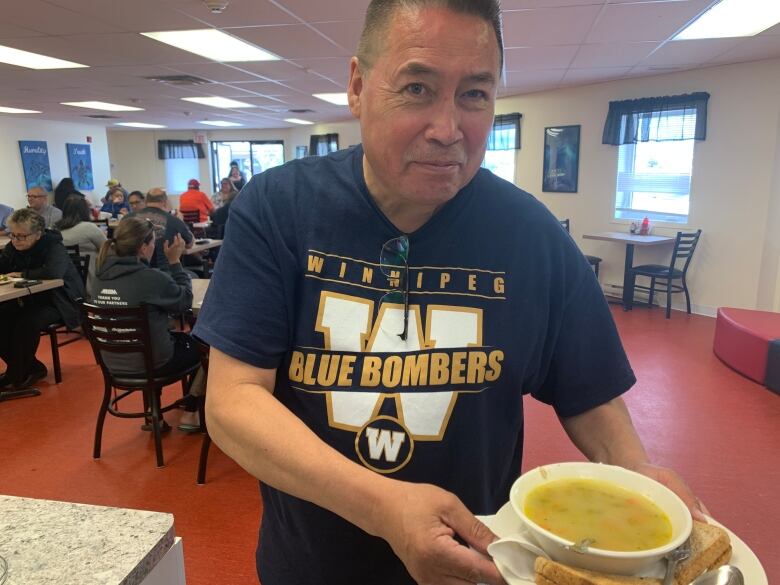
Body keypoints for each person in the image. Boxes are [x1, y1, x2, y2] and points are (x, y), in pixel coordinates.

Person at [193, 2, 706, 584]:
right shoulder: (278, 209)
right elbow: (233, 402)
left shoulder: (529, 235)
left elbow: (589, 391)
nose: (447, 129)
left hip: (476, 568)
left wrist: (635, 472)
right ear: (358, 87)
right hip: (312, 567)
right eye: (416, 88)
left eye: (475, 95)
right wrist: (384, 509)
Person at [91, 217, 202, 430]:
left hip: (113, 362)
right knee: (205, 343)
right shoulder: (149, 278)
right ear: (143, 247)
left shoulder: (98, 277)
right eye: (152, 243)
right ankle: (191, 412)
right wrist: (175, 262)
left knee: (152, 338)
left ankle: (154, 415)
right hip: (153, 363)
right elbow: (184, 301)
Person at [0, 209, 85, 389]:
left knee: (26, 322)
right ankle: (28, 368)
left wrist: (22, 273)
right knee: (3, 318)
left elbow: (54, 273)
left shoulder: (53, 246)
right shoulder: (13, 247)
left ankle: (17, 373)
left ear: (38, 234)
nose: (15, 241)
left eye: (21, 236)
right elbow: (3, 265)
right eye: (13, 235)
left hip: (58, 300)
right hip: (26, 299)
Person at [128, 188, 193, 273]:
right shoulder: (174, 220)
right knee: (193, 275)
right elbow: (189, 244)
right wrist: (181, 221)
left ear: (146, 201)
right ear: (165, 202)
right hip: (166, 273)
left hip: (133, 272)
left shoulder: (127, 219)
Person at [55, 194, 107, 292]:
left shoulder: (55, 230)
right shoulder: (89, 227)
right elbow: (107, 249)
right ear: (85, 210)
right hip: (90, 281)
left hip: (65, 281)